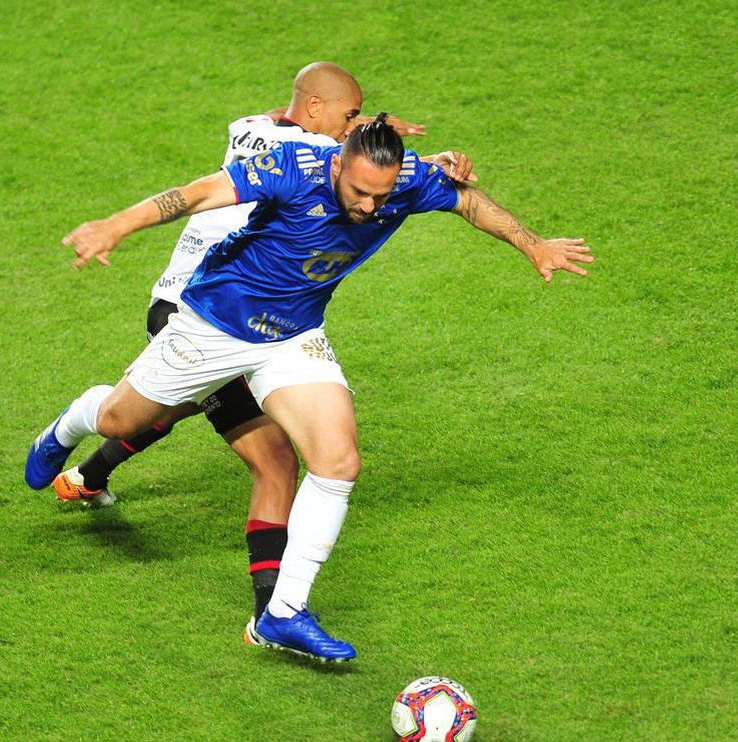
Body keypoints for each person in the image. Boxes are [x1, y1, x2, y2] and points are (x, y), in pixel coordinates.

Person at [28, 114, 593, 663]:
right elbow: (197, 194)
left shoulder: (403, 181)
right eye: (360, 192)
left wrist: (532, 243)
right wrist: (114, 226)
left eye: (382, 196)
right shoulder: (292, 168)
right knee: (120, 421)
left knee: (338, 461)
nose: (370, 208)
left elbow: (467, 199)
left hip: (294, 336)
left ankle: (283, 611)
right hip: (214, 324)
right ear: (339, 160)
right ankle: (65, 428)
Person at [31, 63, 472, 639]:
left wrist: (397, 145)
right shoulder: (300, 157)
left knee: (261, 450)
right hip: (201, 306)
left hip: (266, 320)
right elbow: (317, 153)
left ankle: (276, 612)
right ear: (318, 113)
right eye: (349, 117)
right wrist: (422, 158)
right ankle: (75, 441)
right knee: (173, 417)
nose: (354, 125)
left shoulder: (258, 128)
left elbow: (312, 131)